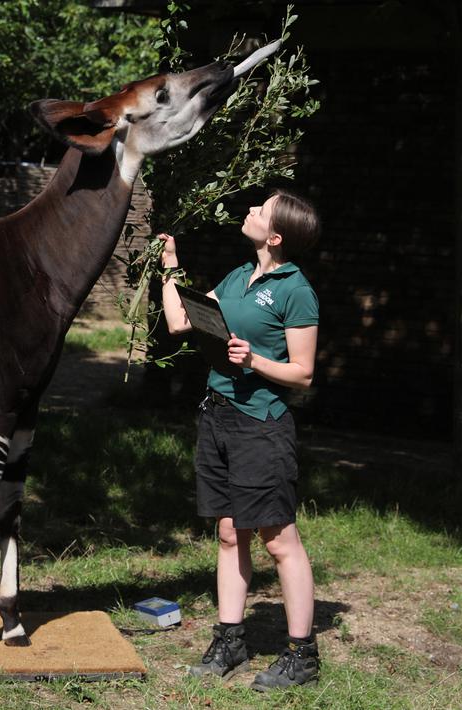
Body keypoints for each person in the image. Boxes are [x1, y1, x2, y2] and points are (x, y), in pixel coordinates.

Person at [158, 189, 322, 691]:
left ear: (275, 237)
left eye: (260, 211)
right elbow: (180, 322)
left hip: (261, 424)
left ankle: (301, 655)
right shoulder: (236, 276)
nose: (249, 211)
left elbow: (303, 372)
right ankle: (231, 640)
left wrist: (254, 361)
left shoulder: (296, 290)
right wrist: (169, 268)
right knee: (230, 532)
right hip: (219, 418)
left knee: (279, 539)